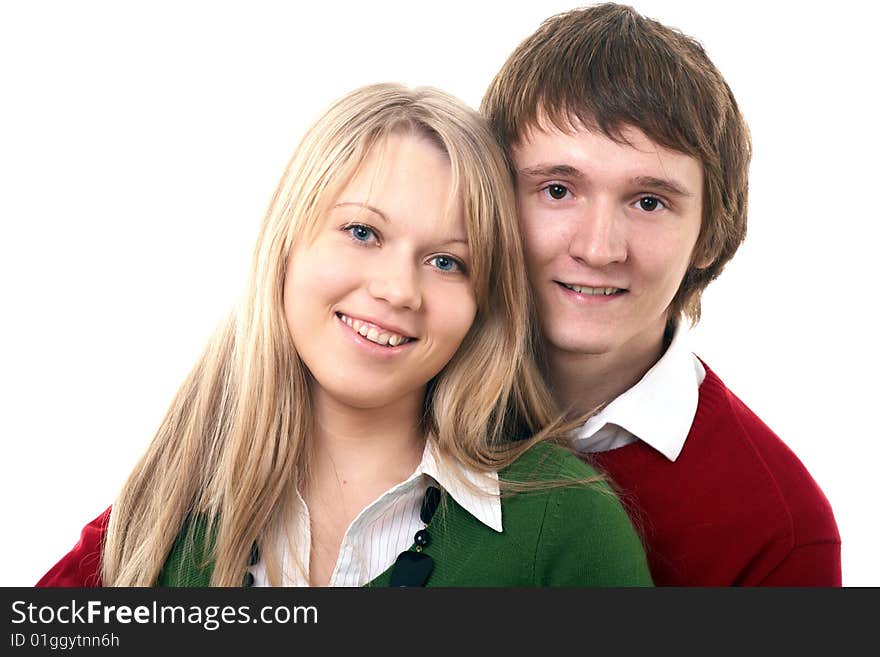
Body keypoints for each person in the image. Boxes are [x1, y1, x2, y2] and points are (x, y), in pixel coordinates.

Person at [37, 83, 652, 587]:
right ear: (287, 244)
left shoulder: (566, 526)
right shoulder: (163, 514)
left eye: (447, 262)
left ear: (482, 307)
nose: (397, 290)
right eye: (363, 232)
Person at [480, 3, 841, 586]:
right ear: (490, 198)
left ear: (708, 235)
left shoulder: (780, 529)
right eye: (557, 189)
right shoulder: (399, 394)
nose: (599, 249)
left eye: (649, 201)